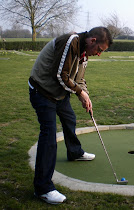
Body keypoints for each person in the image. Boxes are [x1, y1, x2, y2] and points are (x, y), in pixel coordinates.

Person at [29, 27, 113, 204]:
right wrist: (79, 93)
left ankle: (75, 152)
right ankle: (42, 188)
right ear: (92, 41)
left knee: (70, 119)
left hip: (59, 94)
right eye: (99, 50)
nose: (99, 54)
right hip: (42, 91)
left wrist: (85, 95)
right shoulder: (71, 42)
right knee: (49, 136)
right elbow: (60, 75)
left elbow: (79, 79)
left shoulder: (84, 53)